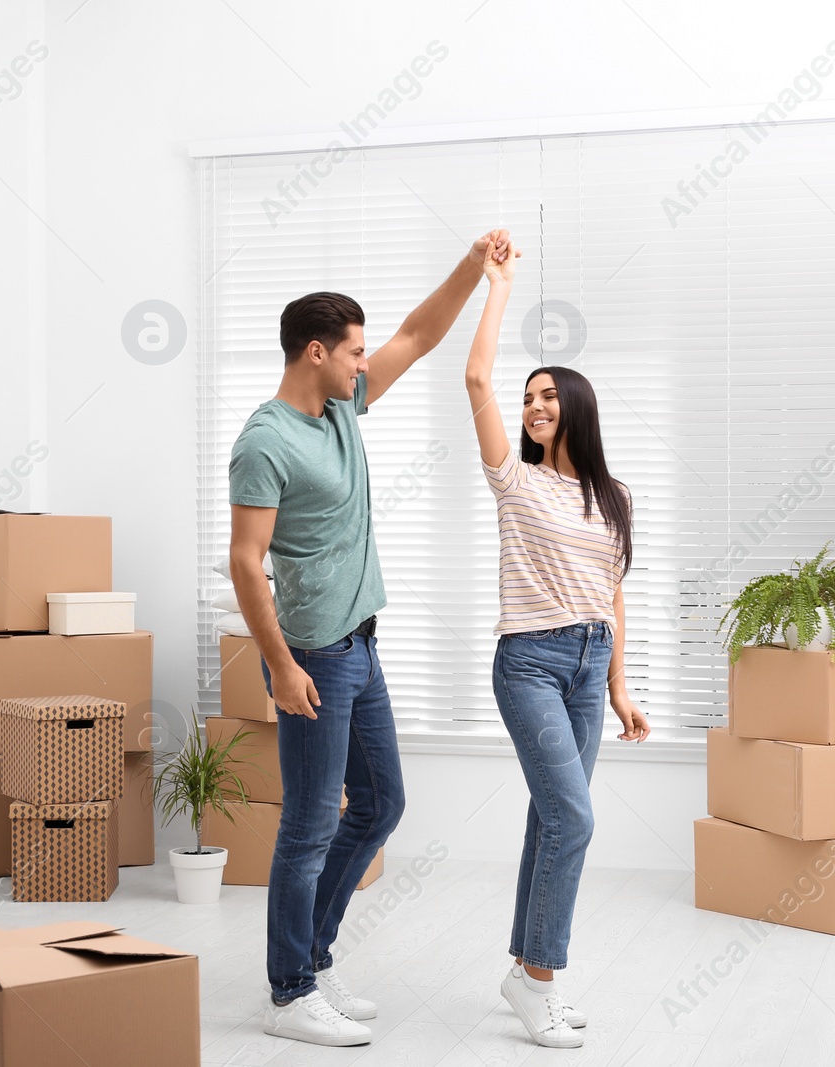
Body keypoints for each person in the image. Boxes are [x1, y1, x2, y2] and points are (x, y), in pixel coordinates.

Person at [229, 230, 513, 1048]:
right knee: (310, 824)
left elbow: (420, 337)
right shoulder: (265, 441)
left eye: (362, 353)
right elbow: (247, 564)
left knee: (381, 803)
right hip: (313, 657)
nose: (364, 363)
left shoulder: (342, 406)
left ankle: (309, 961)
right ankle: (289, 992)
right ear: (314, 352)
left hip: (362, 644)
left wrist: (474, 268)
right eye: (352, 352)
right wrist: (278, 665)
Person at [462, 239, 649, 1048]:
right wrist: (497, 285)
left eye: (548, 395)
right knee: (575, 819)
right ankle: (540, 980)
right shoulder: (516, 478)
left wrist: (619, 685)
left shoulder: (612, 496)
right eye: (529, 395)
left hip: (584, 668)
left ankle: (524, 968)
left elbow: (611, 595)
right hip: (530, 662)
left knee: (551, 818)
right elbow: (475, 379)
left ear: (577, 405)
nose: (535, 405)